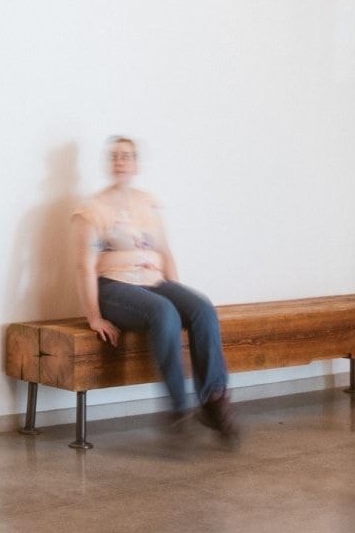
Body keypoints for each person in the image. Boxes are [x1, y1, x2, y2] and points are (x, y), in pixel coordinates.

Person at [76, 136, 238, 442]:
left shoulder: (147, 203)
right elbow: (84, 266)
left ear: (136, 164)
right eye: (115, 156)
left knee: (202, 307)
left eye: (127, 156)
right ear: (108, 163)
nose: (121, 161)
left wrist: (176, 291)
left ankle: (214, 399)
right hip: (113, 286)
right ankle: (179, 408)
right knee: (164, 313)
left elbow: (165, 254)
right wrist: (94, 317)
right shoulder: (92, 209)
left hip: (153, 283)